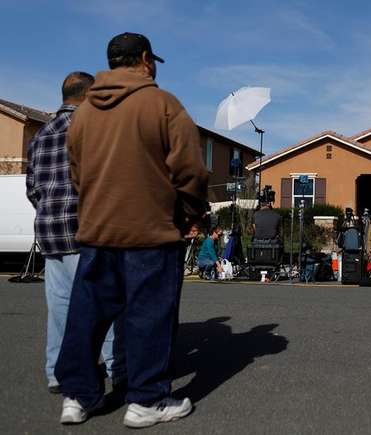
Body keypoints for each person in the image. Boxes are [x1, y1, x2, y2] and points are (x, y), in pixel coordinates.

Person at [55, 32, 209, 427]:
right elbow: (189, 169)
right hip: (150, 231)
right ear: (145, 59)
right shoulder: (162, 104)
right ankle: (147, 399)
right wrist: (191, 211)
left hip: (96, 229)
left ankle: (77, 395)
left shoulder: (85, 112)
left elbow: (76, 174)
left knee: (86, 315)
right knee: (149, 315)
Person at [25, 72, 126, 395]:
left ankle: (57, 372)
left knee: (60, 307)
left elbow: (32, 188)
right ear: (88, 96)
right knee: (104, 302)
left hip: (51, 231)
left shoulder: (41, 135)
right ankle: (115, 366)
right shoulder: (92, 128)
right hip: (87, 228)